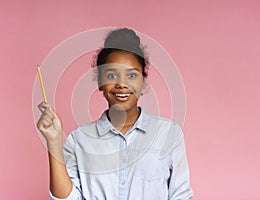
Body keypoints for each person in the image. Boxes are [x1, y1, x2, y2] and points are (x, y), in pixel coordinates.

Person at [37, 28, 193, 200]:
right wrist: (54, 141)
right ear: (100, 82)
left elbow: (180, 195)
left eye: (131, 75)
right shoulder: (79, 139)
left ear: (143, 82)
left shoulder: (169, 133)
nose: (121, 84)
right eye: (111, 75)